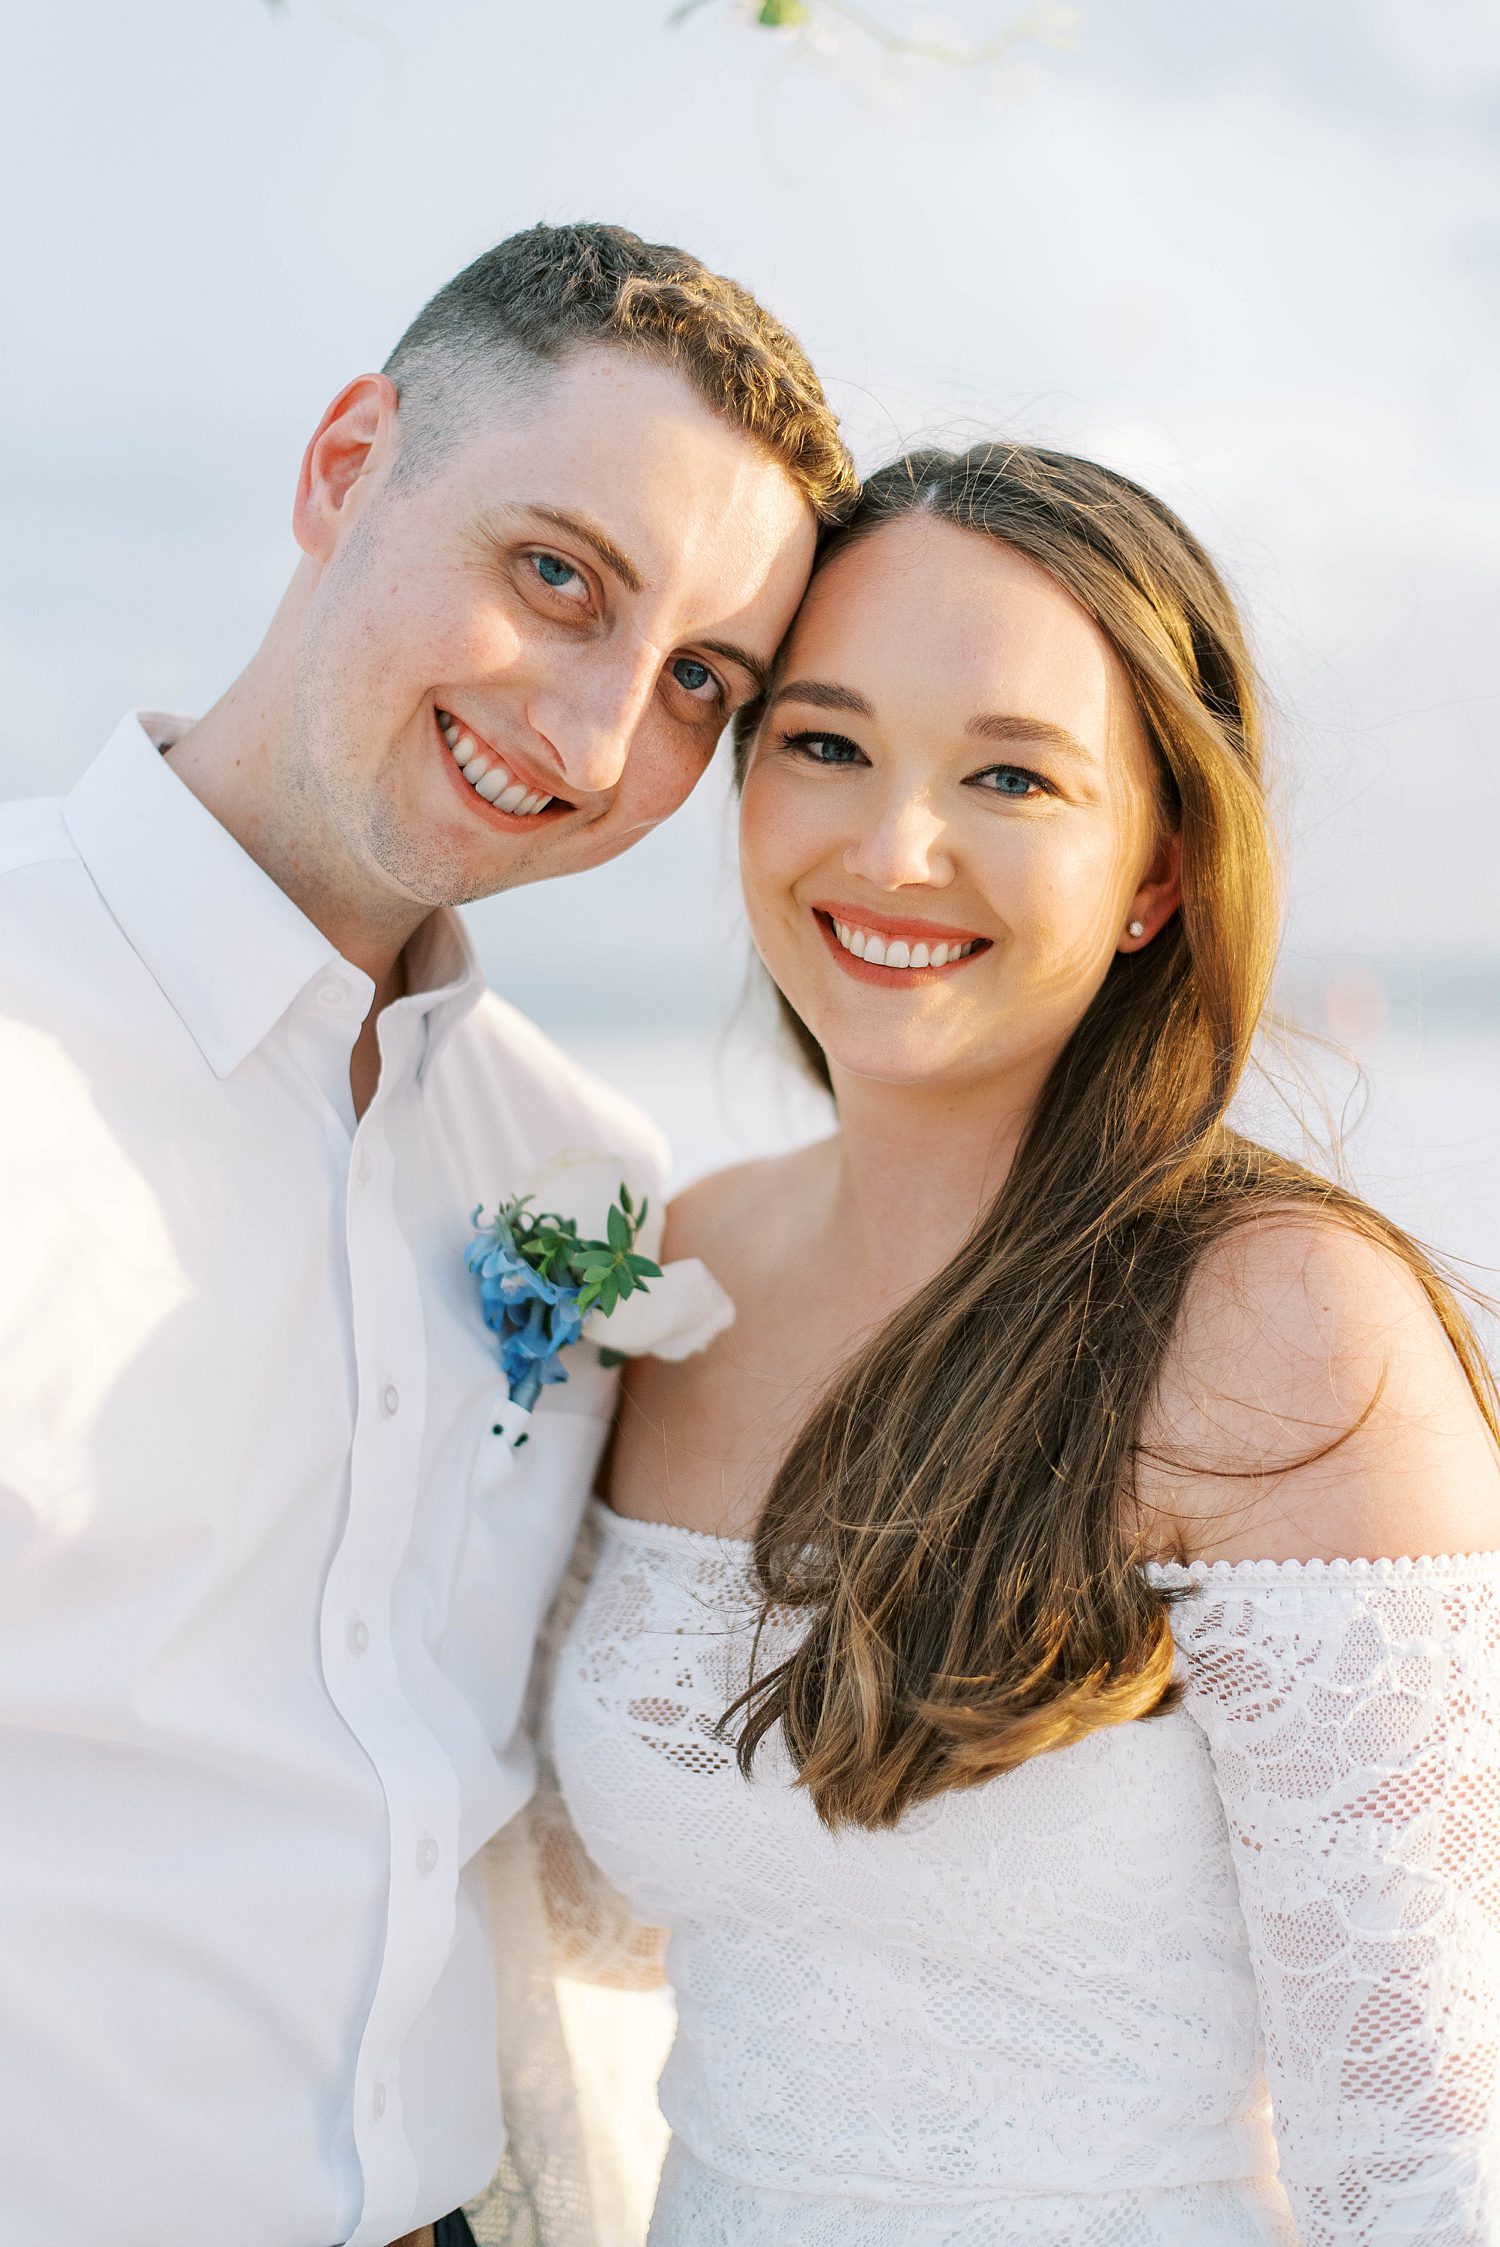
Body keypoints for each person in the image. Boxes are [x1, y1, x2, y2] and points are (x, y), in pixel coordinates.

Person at [0, 220, 853, 2247]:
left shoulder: (577, 1171)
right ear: (343, 462)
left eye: (695, 685)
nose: (586, 732)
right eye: (555, 573)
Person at [543, 443, 1500, 2244]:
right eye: (824, 743)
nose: (895, 848)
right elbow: (607, 1904)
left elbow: (1429, 2145)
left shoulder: (1281, 1323)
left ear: (1158, 870)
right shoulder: (685, 1266)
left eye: (1011, 774)